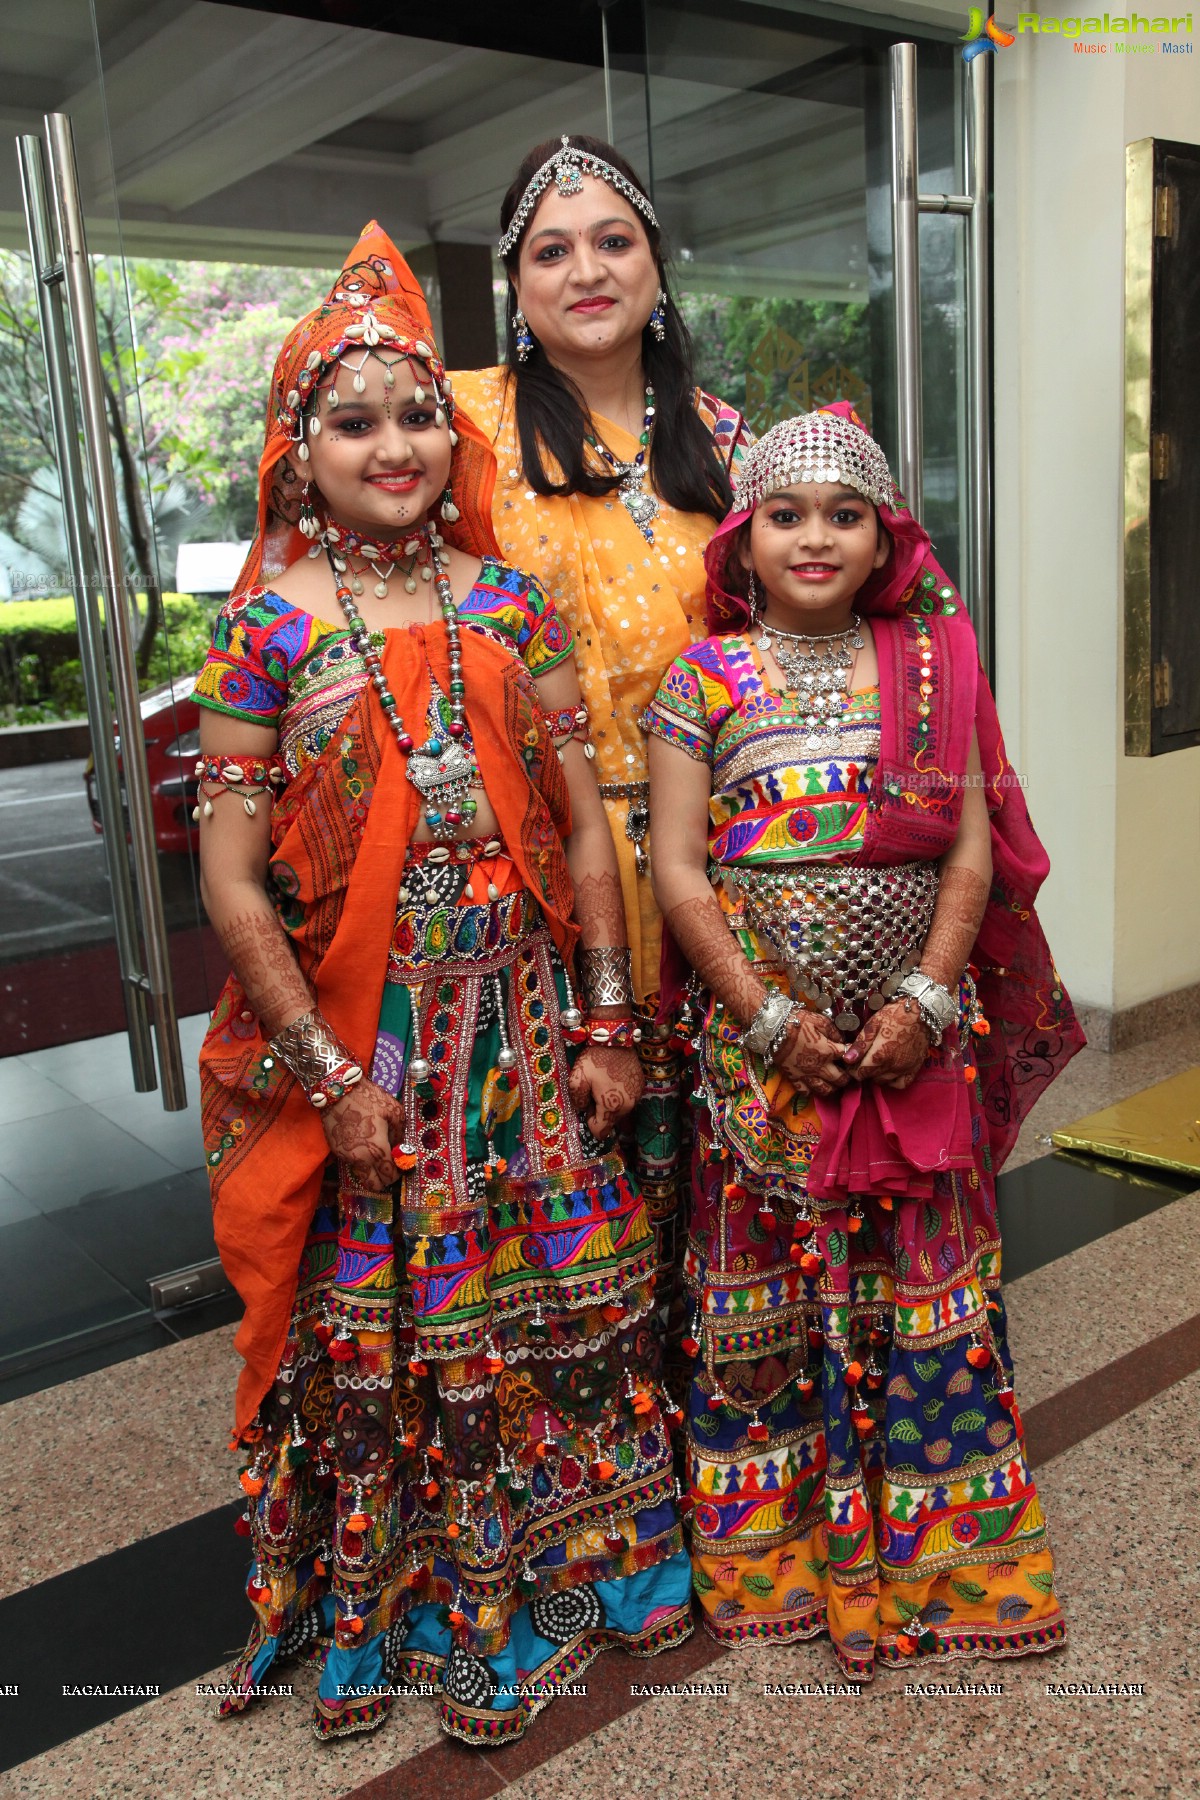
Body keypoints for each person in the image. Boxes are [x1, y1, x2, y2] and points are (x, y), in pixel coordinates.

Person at [196, 222, 692, 1747]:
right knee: (394, 1323)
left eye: (418, 414)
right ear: (297, 454)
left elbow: (584, 830)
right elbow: (227, 881)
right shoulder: (262, 634)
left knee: (573, 1292)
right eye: (353, 421)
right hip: (373, 1045)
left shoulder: (507, 603)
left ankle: (587, 1564)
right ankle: (426, 1598)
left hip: (534, 1037)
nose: (396, 444)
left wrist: (610, 1020)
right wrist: (329, 1080)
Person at [645, 404, 1084, 1676]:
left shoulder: (934, 658)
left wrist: (929, 1002)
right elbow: (675, 868)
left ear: (888, 536)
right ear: (744, 536)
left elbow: (969, 845)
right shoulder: (703, 679)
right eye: (787, 513)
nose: (816, 536)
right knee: (760, 1313)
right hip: (759, 1065)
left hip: (911, 1054)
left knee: (926, 1298)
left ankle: (954, 1565)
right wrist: (769, 1017)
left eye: (847, 513)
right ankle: (773, 1557)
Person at [452, 134, 755, 1289]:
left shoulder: (733, 448)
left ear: (657, 267)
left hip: (716, 861)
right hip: (534, 870)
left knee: (728, 1172)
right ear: (516, 286)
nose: (588, 269)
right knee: (563, 1188)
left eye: (614, 241)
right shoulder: (462, 434)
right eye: (552, 249)